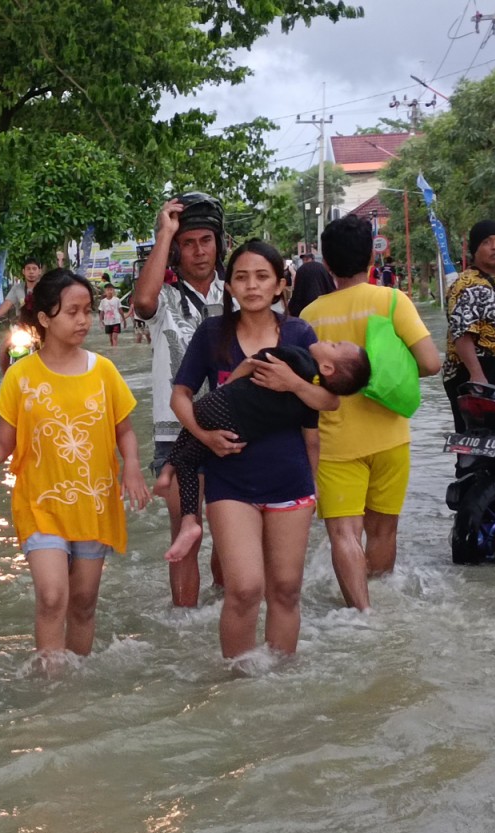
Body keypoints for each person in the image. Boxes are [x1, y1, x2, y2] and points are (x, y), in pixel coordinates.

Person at [0, 269, 150, 663]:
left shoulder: (104, 371)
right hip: (40, 503)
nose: (83, 320)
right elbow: (3, 443)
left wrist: (132, 466)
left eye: (87, 311)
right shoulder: (20, 376)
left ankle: (76, 682)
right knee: (53, 596)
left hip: (94, 503)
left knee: (84, 602)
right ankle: (51, 681)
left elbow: (124, 431)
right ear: (44, 318)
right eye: (72, 312)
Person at [171, 240, 336, 658]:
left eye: (262, 277)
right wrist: (204, 436)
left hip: (290, 477)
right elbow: (180, 395)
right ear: (228, 286)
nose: (252, 285)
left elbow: (329, 401)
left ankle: (279, 679)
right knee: (244, 589)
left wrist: (293, 383)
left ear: (280, 285)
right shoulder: (212, 333)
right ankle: (237, 681)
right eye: (241, 277)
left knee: (286, 589)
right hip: (230, 478)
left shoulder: (299, 333)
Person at [300, 215, 441, 612]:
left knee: (344, 534)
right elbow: (430, 363)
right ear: (371, 257)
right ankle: (382, 602)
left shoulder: (308, 316)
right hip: (390, 436)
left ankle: (360, 615)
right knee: (382, 532)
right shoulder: (392, 301)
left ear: (327, 263)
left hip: (335, 443)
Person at [156, 338, 371, 563]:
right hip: (241, 431)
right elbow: (313, 441)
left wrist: (229, 386)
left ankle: (188, 519)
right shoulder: (310, 399)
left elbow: (251, 362)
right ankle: (168, 473)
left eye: (334, 345)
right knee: (193, 440)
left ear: (327, 368)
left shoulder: (296, 357)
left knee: (189, 451)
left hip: (227, 405)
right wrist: (313, 478)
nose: (327, 340)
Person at [132, 192, 227, 608]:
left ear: (219, 244)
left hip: (234, 432)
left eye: (206, 240)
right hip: (175, 436)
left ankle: (225, 610)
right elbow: (142, 303)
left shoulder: (238, 294)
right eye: (188, 243)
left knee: (229, 533)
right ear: (176, 251)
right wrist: (164, 234)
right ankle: (185, 623)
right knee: (185, 532)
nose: (199, 251)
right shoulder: (166, 299)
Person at [442, 220, 495, 433]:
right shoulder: (467, 284)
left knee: (492, 436)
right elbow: (461, 333)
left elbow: (483, 320)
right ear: (475, 250)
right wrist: (476, 375)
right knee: (475, 439)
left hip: (492, 369)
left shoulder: (493, 280)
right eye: (486, 242)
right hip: (472, 372)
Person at [0, 257, 44, 373]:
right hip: (22, 326)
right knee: (5, 345)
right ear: (23, 271)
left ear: (39, 271)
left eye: (34, 269)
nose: (31, 272)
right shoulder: (17, 288)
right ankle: (6, 374)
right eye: (28, 269)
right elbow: (7, 303)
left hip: (41, 326)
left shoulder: (45, 288)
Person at [99, 281, 125, 347]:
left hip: (116, 321)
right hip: (107, 322)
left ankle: (115, 351)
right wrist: (101, 321)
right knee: (110, 339)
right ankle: (112, 350)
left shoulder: (117, 300)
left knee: (114, 338)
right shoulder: (103, 301)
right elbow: (101, 312)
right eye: (108, 290)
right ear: (105, 292)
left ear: (113, 291)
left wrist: (124, 320)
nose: (109, 291)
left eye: (111, 290)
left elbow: (120, 310)